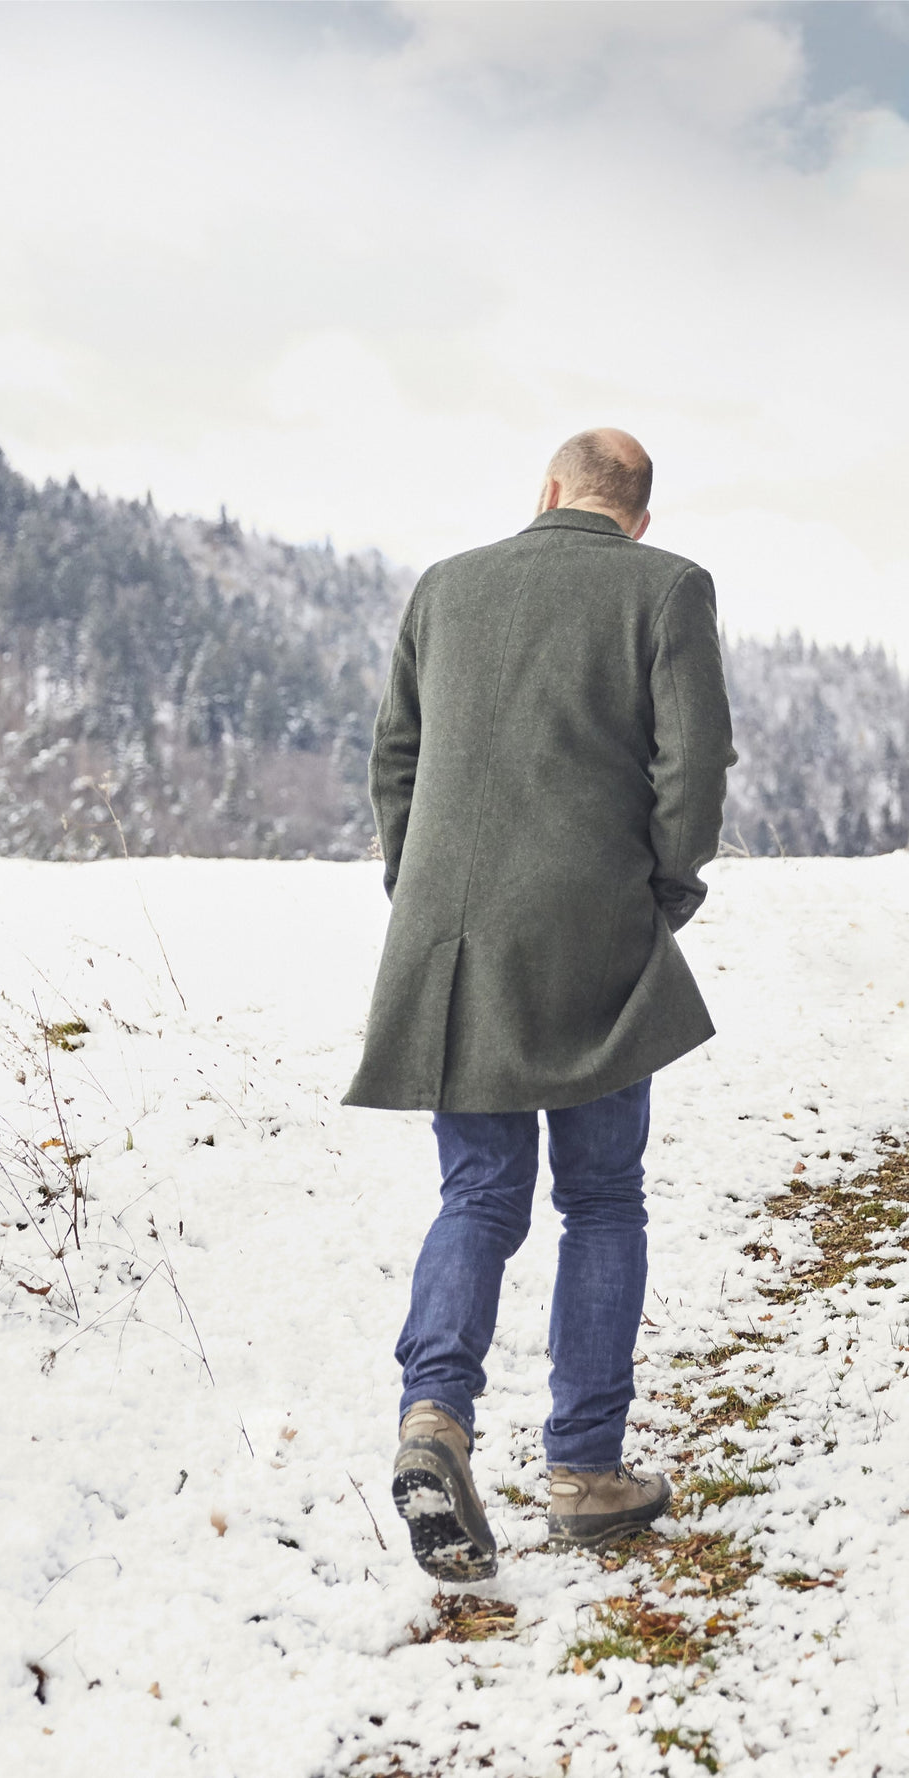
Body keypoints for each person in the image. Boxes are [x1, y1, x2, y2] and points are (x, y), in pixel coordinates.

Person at [343, 428, 736, 1580]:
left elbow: (394, 758)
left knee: (477, 1190)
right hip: (594, 928)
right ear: (638, 516)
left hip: (450, 939)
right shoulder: (667, 586)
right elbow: (695, 762)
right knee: (602, 1196)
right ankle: (582, 1469)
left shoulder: (446, 584)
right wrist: (664, 887)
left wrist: (420, 890)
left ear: (549, 490)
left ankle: (433, 1419)